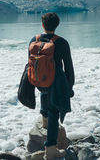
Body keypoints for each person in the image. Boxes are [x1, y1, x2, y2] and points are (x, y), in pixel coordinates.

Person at [28, 12, 74, 159]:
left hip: (39, 82)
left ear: (42, 25)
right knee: (55, 111)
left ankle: (44, 119)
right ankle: (51, 149)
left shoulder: (33, 40)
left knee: (45, 93)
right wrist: (69, 88)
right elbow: (69, 68)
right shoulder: (61, 42)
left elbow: (30, 64)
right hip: (56, 83)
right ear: (57, 25)